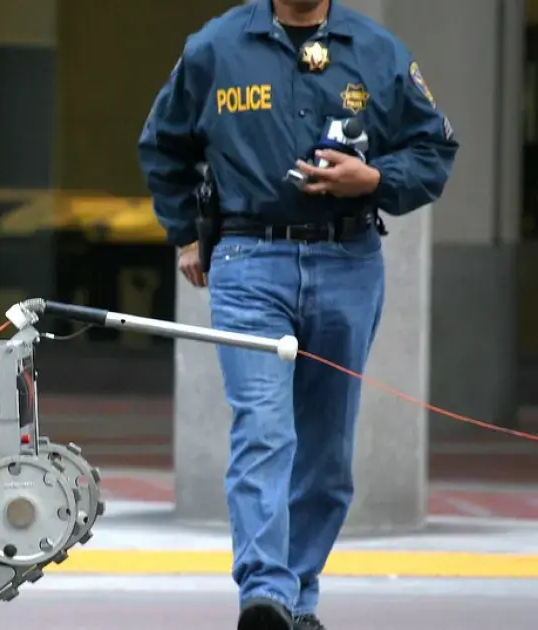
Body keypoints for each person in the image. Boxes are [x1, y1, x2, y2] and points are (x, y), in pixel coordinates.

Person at [137, 1, 458, 629]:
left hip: (349, 261)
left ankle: (295, 597)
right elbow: (163, 144)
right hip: (250, 260)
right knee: (263, 429)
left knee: (327, 453)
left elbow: (434, 150)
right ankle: (264, 593)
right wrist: (184, 234)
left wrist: (373, 178)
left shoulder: (378, 52)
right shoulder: (216, 47)